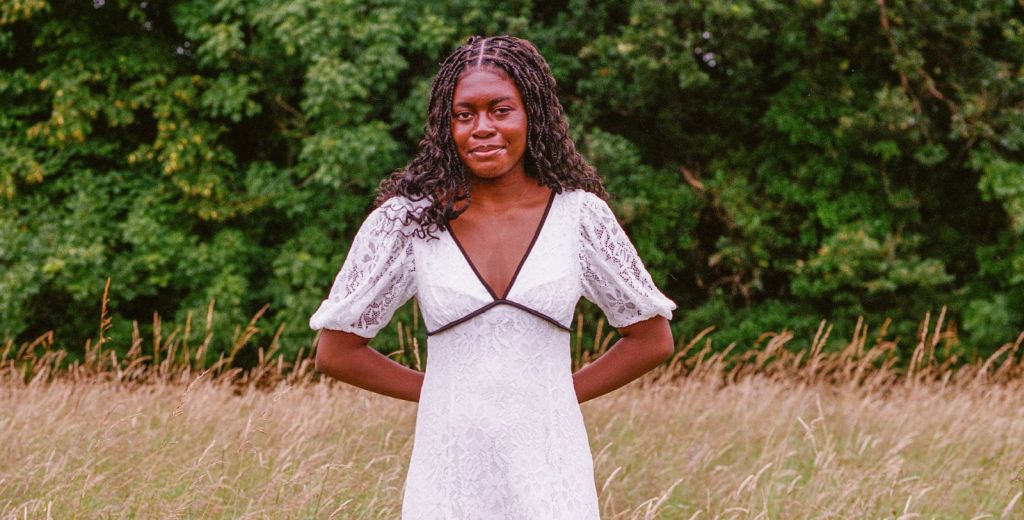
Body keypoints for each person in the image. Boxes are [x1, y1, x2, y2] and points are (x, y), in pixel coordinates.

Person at [309, 35, 677, 519]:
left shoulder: (580, 217)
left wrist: (557, 397)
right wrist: (443, 394)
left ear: (533, 116)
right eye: (465, 114)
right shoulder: (407, 221)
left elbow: (652, 340)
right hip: (449, 471)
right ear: (447, 124)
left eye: (501, 110)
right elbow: (336, 352)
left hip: (552, 467)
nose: (482, 128)